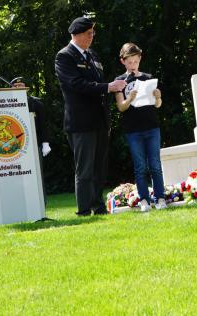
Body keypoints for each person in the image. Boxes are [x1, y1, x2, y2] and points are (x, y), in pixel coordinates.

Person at [55, 17, 126, 216]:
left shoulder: (92, 55)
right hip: (81, 122)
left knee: (99, 168)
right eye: (88, 33)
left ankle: (99, 206)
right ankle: (84, 210)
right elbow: (76, 85)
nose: (92, 36)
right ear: (76, 35)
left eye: (93, 33)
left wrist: (112, 88)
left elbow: (99, 83)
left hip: (100, 121)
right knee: (85, 170)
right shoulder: (64, 56)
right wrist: (108, 87)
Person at [114, 43, 166, 212]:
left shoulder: (148, 78)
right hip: (133, 130)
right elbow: (121, 107)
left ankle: (160, 198)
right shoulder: (119, 81)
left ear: (140, 59)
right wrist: (130, 98)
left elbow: (157, 105)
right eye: (129, 62)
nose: (133, 65)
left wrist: (158, 97)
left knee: (155, 165)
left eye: (136, 61)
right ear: (123, 61)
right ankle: (144, 199)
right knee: (140, 166)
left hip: (152, 127)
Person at [10, 77, 51, 205]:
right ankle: (20, 203)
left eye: (21, 85)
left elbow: (43, 125)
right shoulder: (6, 103)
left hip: (34, 144)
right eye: (15, 87)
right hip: (14, 147)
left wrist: (45, 143)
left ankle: (40, 202)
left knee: (36, 175)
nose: (19, 88)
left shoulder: (36, 103)